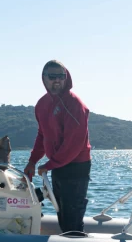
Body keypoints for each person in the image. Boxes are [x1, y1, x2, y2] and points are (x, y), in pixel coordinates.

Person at [24, 60, 91, 233]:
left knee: (72, 215)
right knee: (61, 212)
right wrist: (32, 162)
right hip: (57, 165)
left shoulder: (74, 104)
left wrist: (49, 165)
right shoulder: (42, 104)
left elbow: (73, 144)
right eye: (52, 76)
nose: (57, 80)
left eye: (61, 76)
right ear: (44, 78)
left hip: (76, 166)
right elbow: (42, 135)